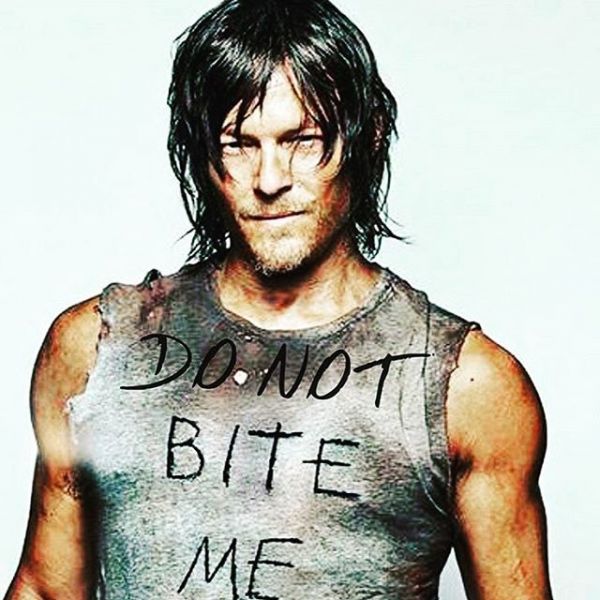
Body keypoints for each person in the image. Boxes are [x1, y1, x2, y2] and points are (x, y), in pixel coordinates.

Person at [5, 0, 553, 598]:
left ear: (368, 136)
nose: (270, 179)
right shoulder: (95, 349)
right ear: (200, 153)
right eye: (239, 144)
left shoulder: (468, 388)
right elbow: (46, 588)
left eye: (303, 140)